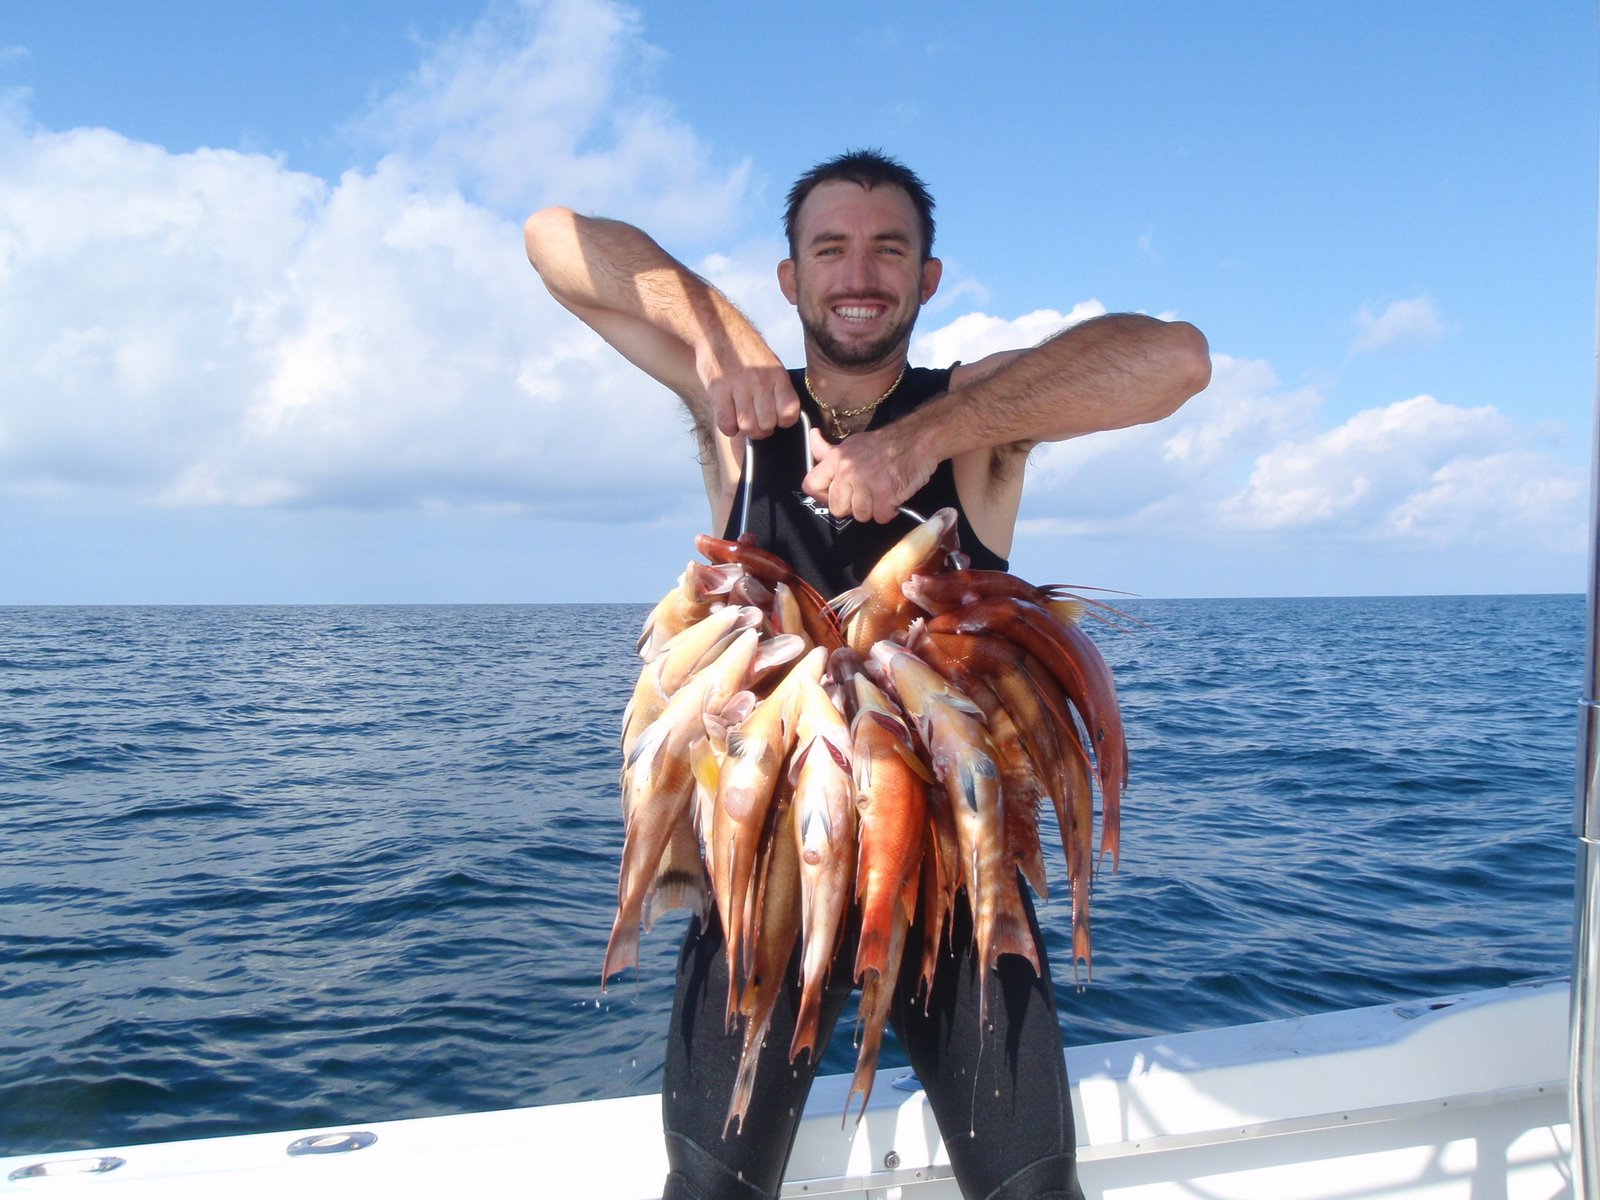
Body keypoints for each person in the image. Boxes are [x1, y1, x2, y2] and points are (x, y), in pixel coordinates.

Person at [524, 150, 1210, 1200]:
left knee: (1032, 1191)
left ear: (927, 280)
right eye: (828, 249)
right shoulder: (736, 409)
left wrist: (924, 437)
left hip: (951, 863)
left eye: (889, 250)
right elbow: (554, 240)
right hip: (762, 864)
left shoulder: (981, 413)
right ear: (789, 278)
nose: (859, 273)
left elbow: (1174, 361)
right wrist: (728, 343)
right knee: (706, 1191)